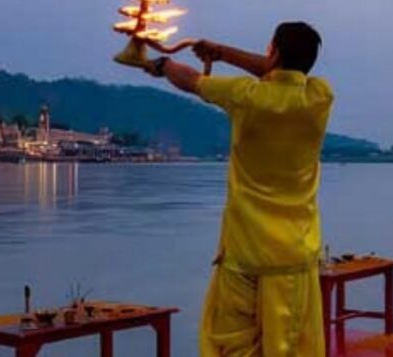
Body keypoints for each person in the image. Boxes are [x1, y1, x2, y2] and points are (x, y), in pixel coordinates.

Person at [141, 22, 332, 356]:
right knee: (290, 346)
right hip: (295, 253)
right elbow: (278, 70)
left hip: (245, 249)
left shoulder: (245, 95)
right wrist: (222, 52)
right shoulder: (319, 97)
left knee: (233, 343)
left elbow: (189, 80)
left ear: (273, 52)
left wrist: (162, 64)